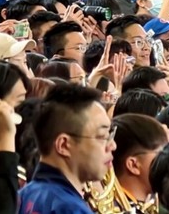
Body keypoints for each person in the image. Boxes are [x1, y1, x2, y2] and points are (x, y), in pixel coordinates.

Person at [18, 83, 114, 214]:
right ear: (63, 145)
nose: (112, 145)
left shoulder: (21, 196)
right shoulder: (71, 209)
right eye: (102, 136)